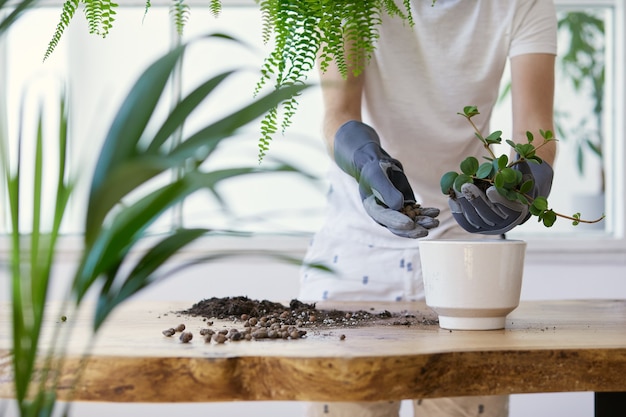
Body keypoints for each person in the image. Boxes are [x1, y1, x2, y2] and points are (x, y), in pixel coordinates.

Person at [299, 1, 558, 416]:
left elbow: (536, 128)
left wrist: (529, 177)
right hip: (354, 259)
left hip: (469, 266)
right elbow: (338, 113)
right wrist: (363, 159)